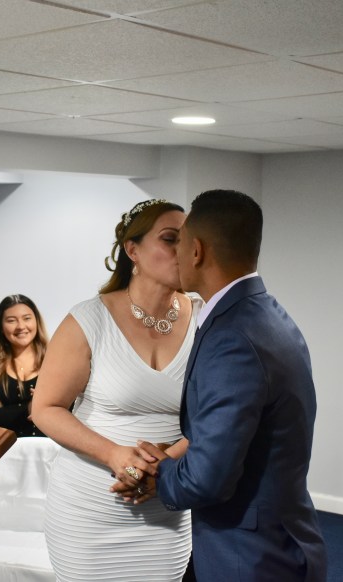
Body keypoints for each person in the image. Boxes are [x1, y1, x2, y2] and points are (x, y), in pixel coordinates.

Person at [120, 189, 327, 581]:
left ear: (196, 251)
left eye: (179, 242)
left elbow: (207, 479)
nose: (176, 254)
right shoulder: (267, 314)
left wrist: (154, 473)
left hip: (249, 556)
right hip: (278, 537)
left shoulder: (233, 337)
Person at [31, 198, 202, 581]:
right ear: (132, 250)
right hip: (89, 509)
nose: (183, 250)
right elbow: (45, 409)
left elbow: (219, 414)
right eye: (170, 239)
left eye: (189, 239)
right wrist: (114, 454)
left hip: (165, 505)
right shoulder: (89, 319)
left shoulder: (203, 317)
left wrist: (165, 463)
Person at [0, 294, 49, 437]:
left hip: (52, 447)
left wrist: (49, 403)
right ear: (1, 327)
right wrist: (28, 408)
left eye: (27, 318)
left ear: (37, 321)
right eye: (11, 320)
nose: (21, 326)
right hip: (7, 448)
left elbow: (75, 407)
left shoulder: (55, 360)